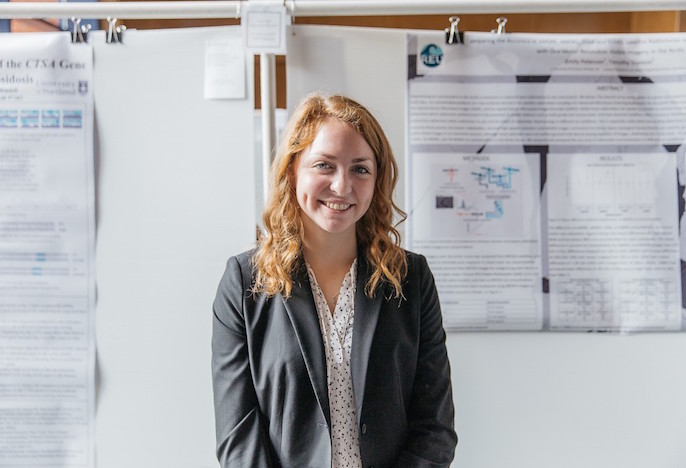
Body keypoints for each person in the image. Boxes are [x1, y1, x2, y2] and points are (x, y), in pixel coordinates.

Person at [212, 93, 457, 467]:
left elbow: (435, 427)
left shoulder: (412, 280)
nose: (342, 186)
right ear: (292, 170)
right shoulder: (245, 283)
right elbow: (238, 438)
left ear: (377, 179)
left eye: (360, 169)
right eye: (324, 165)